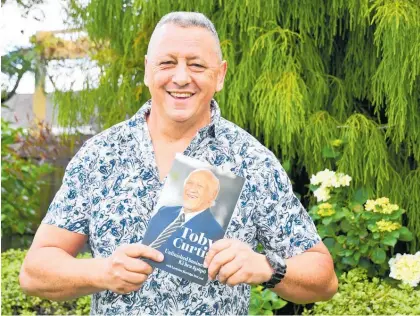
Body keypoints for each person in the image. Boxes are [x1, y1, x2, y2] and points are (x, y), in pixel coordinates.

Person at [19, 11, 338, 315]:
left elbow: (324, 278)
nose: (181, 77)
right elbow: (34, 272)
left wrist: (267, 267)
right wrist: (100, 271)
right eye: (167, 63)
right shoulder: (99, 157)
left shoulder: (253, 162)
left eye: (197, 65)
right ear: (147, 70)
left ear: (221, 74)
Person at [143, 169, 224, 251]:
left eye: (200, 186)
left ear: (212, 195)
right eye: (189, 183)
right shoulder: (164, 211)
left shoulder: (216, 233)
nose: (192, 189)